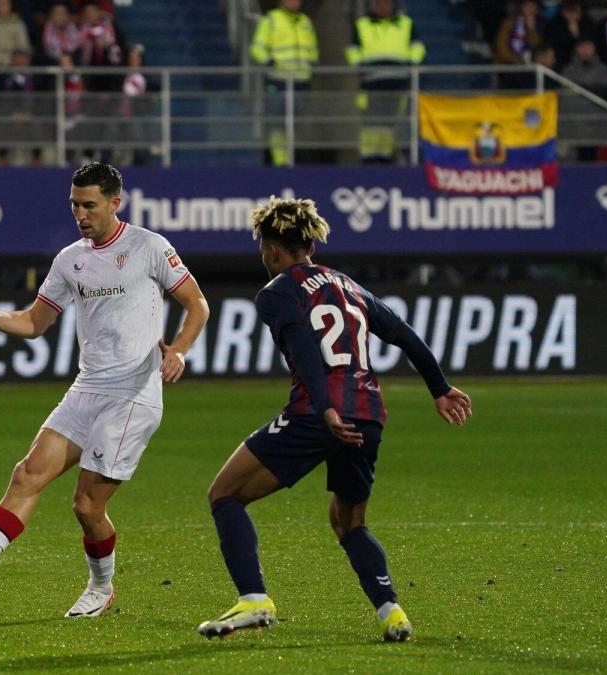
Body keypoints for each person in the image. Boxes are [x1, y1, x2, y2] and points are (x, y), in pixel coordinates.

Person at [0, 163, 210, 618]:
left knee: (87, 505)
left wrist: (180, 351)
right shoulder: (70, 258)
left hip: (132, 393)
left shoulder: (150, 247)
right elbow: (35, 322)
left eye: (89, 205)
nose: (80, 213)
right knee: (27, 474)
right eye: (74, 204)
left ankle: (101, 587)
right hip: (87, 387)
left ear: (115, 203)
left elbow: (197, 305)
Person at [195, 197, 471, 641]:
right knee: (349, 523)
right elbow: (402, 333)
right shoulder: (346, 284)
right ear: (310, 244)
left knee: (224, 494)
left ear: (271, 249)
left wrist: (324, 407)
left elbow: (305, 349)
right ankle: (392, 614)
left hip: (316, 415)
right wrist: (439, 387)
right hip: (367, 416)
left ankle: (253, 600)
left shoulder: (277, 292)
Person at [346, 0, 424, 163]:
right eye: (380, 3)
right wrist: (360, 65)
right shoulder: (363, 24)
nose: (384, 6)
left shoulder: (406, 23)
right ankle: (369, 156)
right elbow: (352, 50)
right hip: (371, 82)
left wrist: (410, 63)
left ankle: (386, 156)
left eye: (387, 3)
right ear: (374, 5)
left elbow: (418, 47)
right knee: (371, 122)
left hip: (398, 81)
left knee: (391, 121)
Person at [251, 0, 318, 166]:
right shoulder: (271, 19)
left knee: (295, 125)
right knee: (277, 123)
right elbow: (257, 48)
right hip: (278, 81)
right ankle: (280, 160)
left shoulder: (305, 21)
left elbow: (313, 50)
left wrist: (310, 64)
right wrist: (269, 63)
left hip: (301, 82)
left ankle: (292, 159)